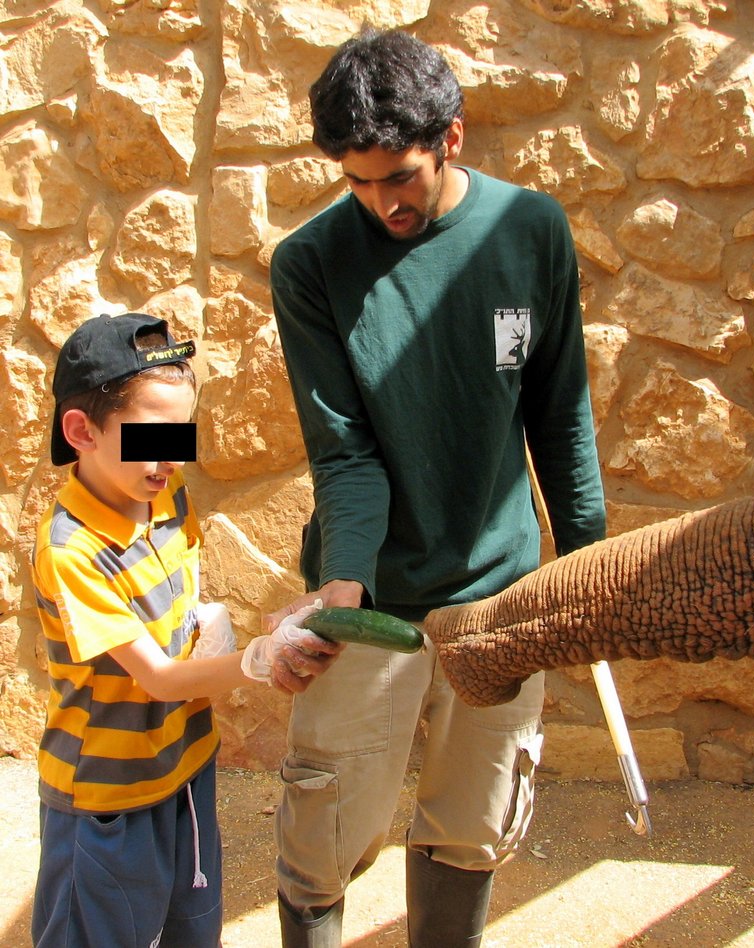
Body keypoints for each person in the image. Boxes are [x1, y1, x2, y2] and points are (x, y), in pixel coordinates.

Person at [267, 27, 607, 948]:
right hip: (371, 604)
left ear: (450, 139)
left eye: (399, 176)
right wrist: (345, 585)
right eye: (356, 182)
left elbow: (559, 412)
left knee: (472, 826)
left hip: (499, 595)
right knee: (325, 828)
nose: (381, 203)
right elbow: (344, 453)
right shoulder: (307, 265)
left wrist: (589, 566)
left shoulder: (530, 230)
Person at [30, 312, 340, 948]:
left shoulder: (166, 496)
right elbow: (159, 677)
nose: (170, 457)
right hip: (107, 799)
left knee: (192, 933)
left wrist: (205, 621)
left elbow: (178, 608)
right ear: (80, 430)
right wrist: (258, 657)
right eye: (149, 435)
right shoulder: (72, 550)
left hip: (187, 764)